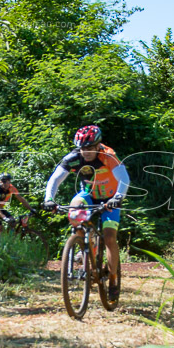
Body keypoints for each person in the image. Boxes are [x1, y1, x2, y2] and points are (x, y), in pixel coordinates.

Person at [42, 125, 129, 301]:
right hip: (89, 195)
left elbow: (124, 179)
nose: (86, 152)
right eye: (82, 148)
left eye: (89, 148)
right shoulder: (74, 158)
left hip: (110, 197)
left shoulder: (108, 156)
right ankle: (83, 244)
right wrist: (49, 199)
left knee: (110, 236)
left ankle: (113, 279)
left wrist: (118, 197)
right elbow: (55, 179)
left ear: (98, 145)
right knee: (74, 208)